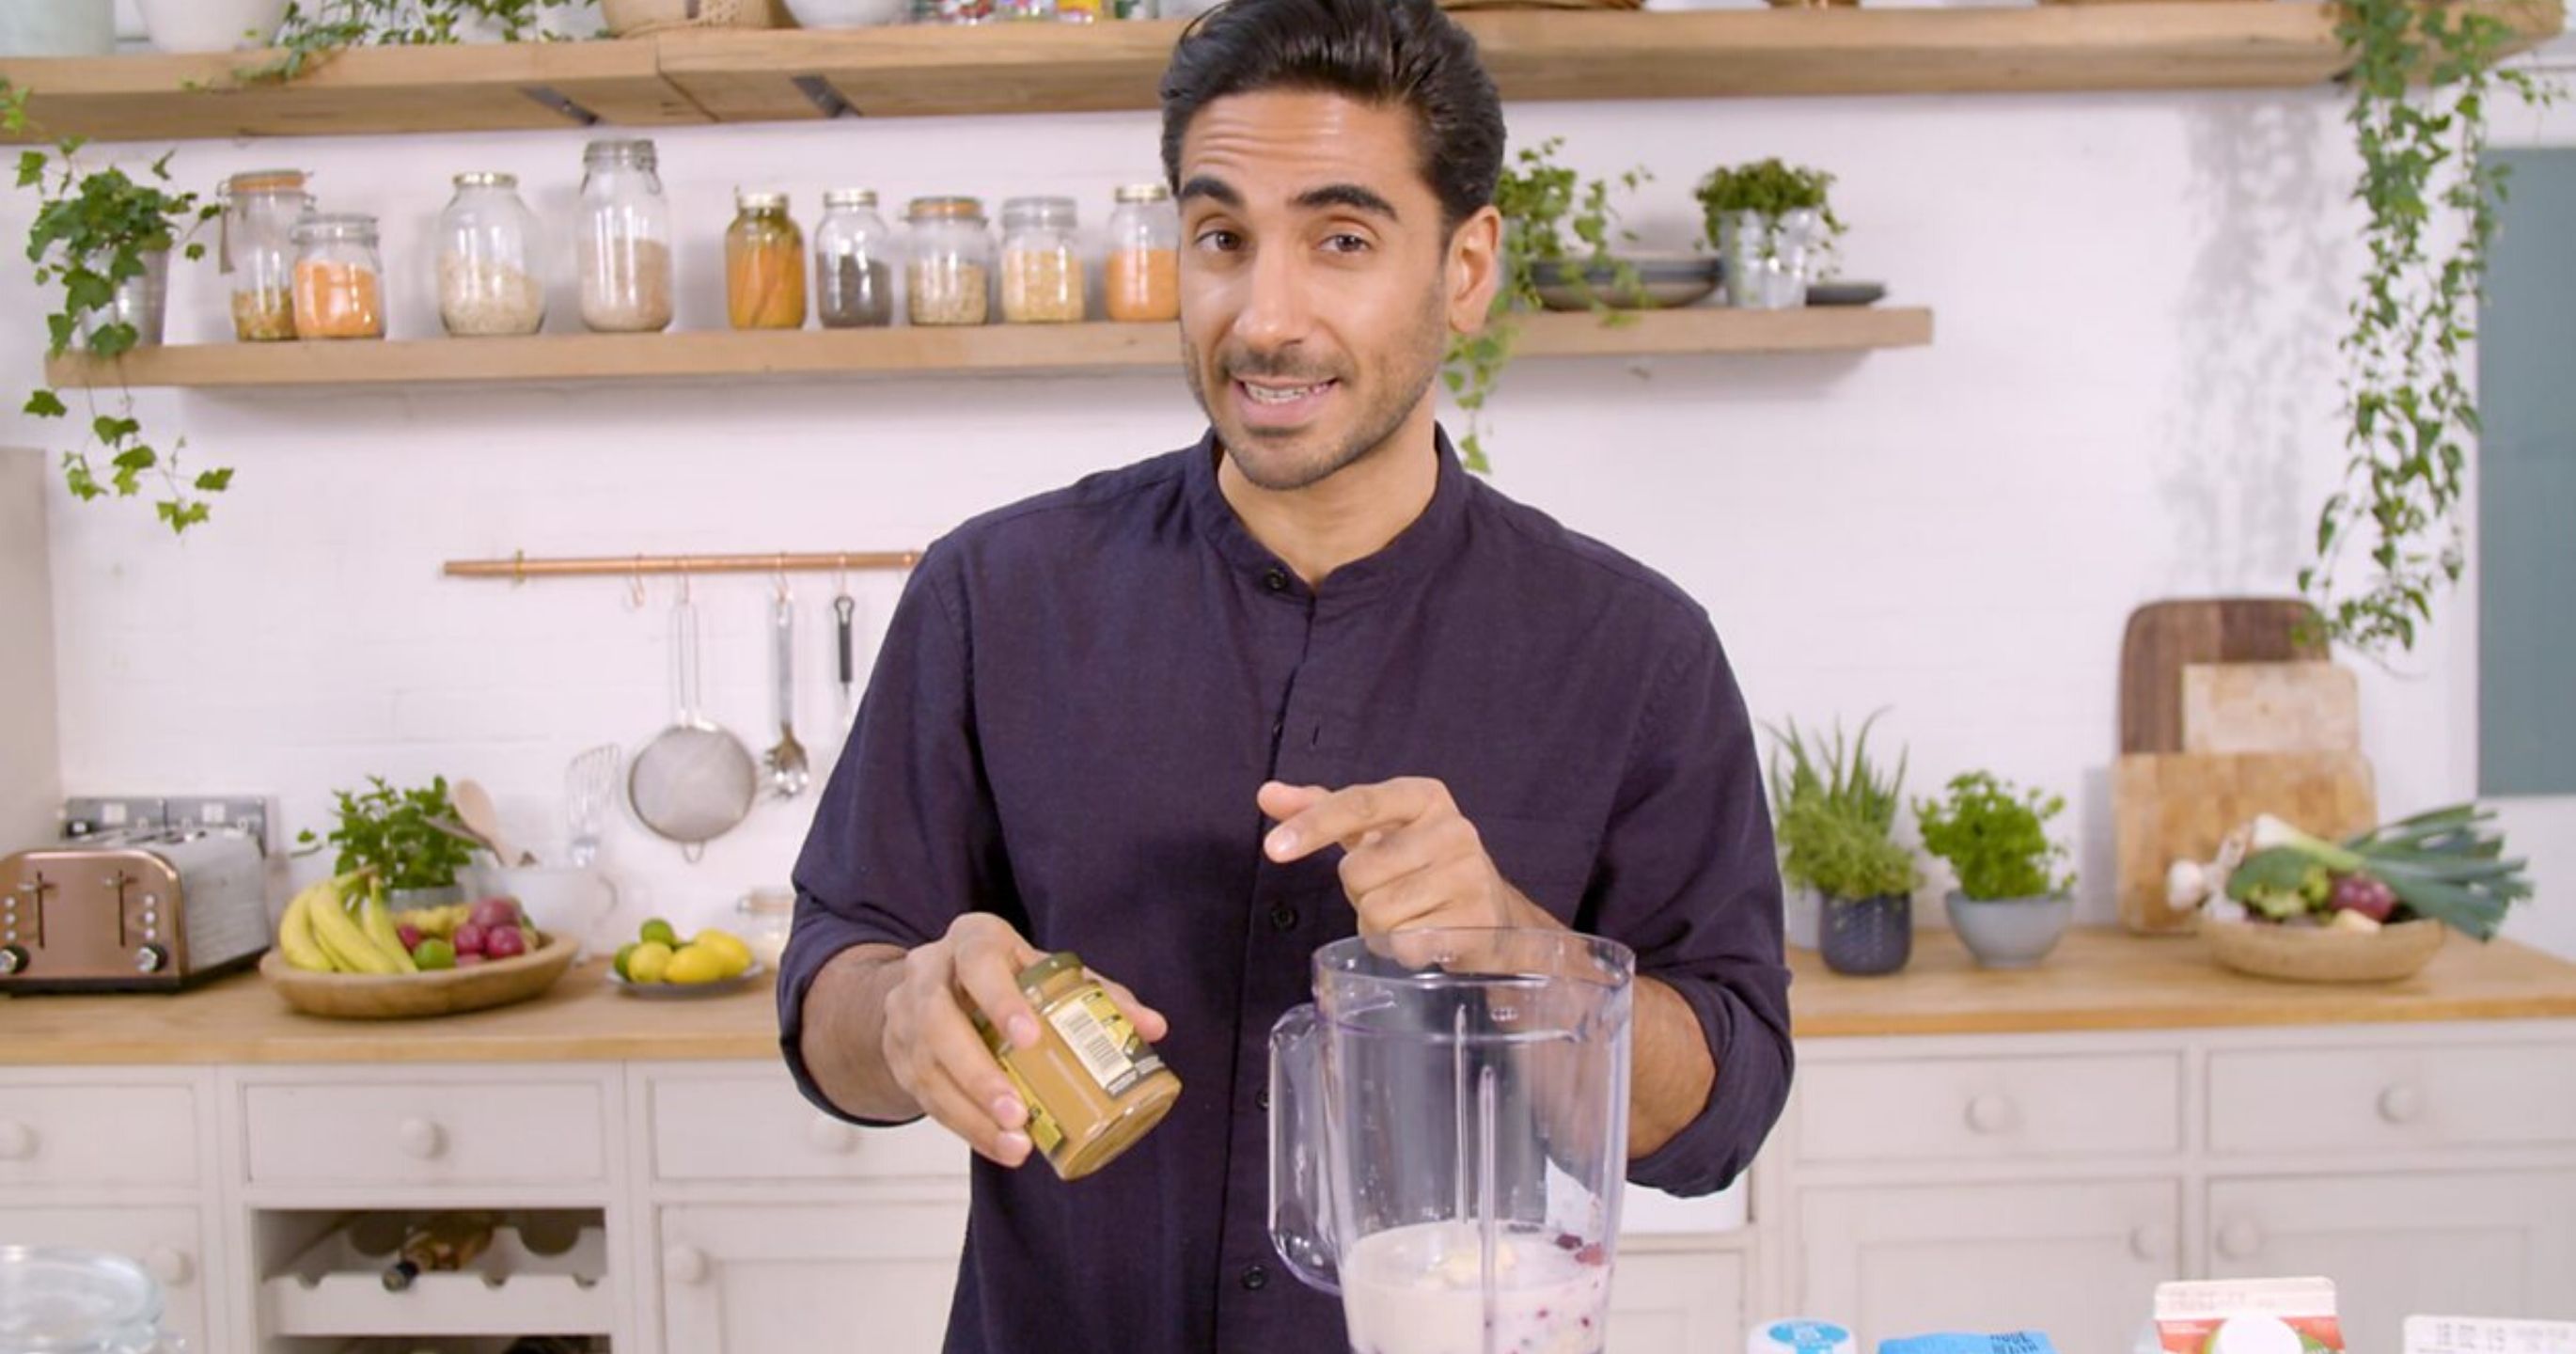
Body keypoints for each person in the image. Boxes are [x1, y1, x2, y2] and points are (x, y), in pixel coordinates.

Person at [778, 0, 1793, 1347]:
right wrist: (903, 1015)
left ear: (1469, 266)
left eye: (1343, 241)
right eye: (1221, 239)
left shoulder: (1636, 651)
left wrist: (1517, 948)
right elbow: (830, 988)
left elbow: (1716, 1117)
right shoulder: (994, 595)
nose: (1265, 317)